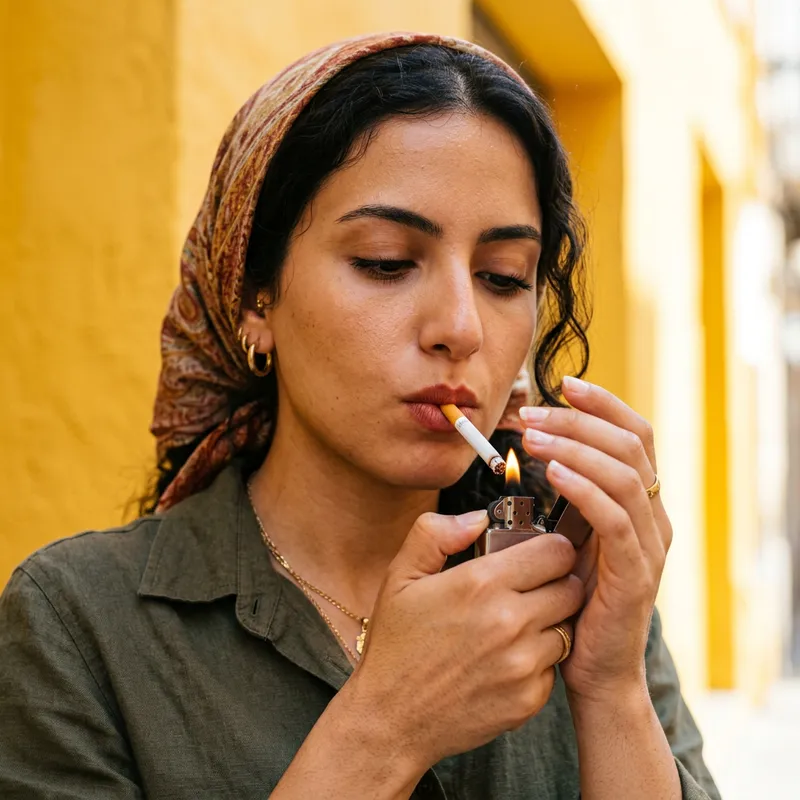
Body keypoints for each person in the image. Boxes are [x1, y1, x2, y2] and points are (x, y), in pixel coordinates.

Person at [0, 32, 721, 799]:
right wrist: (386, 727)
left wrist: (609, 689)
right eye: (385, 261)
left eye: (503, 276)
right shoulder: (76, 624)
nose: (461, 326)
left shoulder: (576, 579)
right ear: (253, 296)